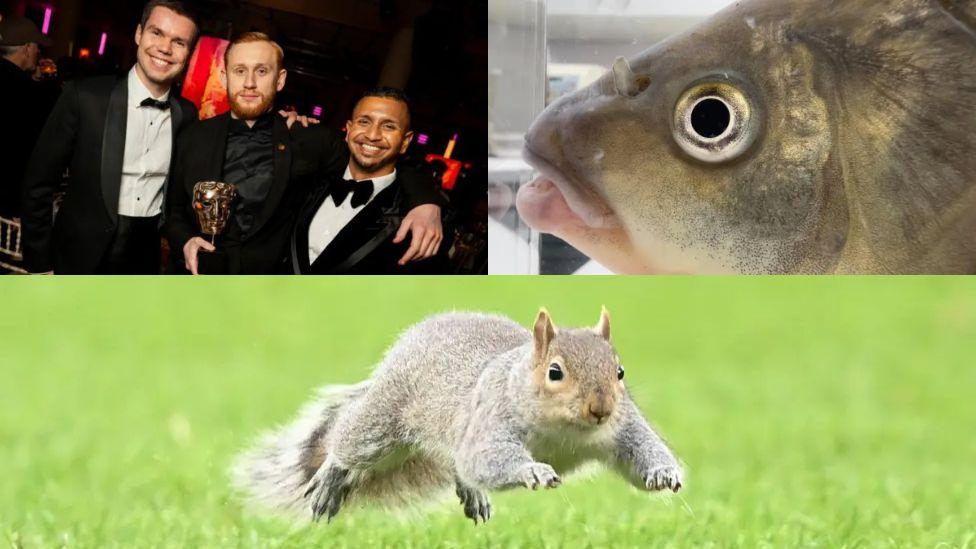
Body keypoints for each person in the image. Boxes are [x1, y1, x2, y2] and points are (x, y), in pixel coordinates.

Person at [165, 32, 444, 275]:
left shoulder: (311, 139)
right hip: (194, 281)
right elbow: (173, 209)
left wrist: (426, 202)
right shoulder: (193, 136)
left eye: (262, 71)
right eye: (240, 70)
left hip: (265, 295)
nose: (250, 82)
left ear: (280, 79)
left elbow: (376, 154)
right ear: (224, 75)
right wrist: (185, 240)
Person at [20, 1, 199, 274]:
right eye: (156, 33)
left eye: (179, 42)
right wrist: (39, 264)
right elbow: (38, 184)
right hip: (75, 258)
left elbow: (178, 200)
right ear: (139, 34)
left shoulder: (186, 114)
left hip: (143, 263)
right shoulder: (85, 97)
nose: (165, 48)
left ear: (189, 53)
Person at [289, 87, 448, 274]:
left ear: (405, 141)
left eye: (388, 126)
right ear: (348, 130)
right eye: (364, 122)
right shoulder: (310, 179)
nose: (373, 135)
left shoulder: (418, 218)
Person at [0, 16, 50, 219]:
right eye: (38, 46)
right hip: (7, 202)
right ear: (27, 48)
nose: (39, 52)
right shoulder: (28, 92)